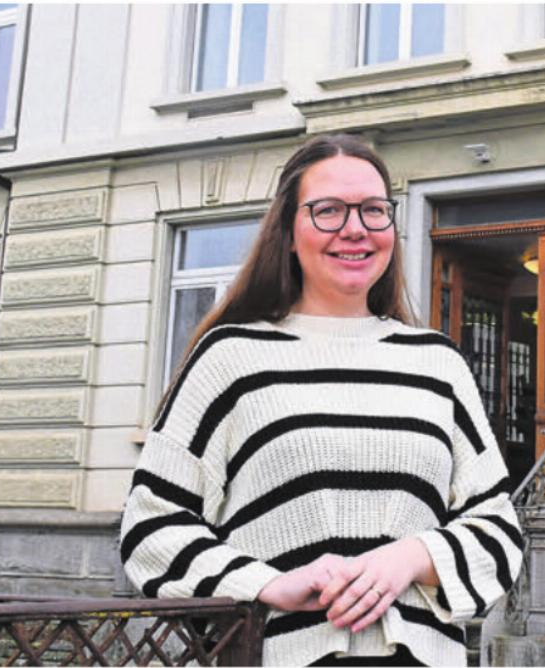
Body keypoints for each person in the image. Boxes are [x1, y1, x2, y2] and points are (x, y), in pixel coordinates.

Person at [120, 134, 523, 666]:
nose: (355, 228)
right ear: (288, 232)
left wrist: (410, 557)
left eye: (373, 210)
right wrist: (267, 583)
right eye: (328, 210)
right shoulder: (230, 357)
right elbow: (151, 527)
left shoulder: (438, 364)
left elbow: (498, 534)